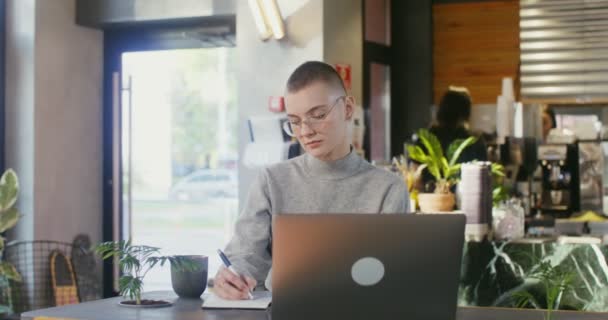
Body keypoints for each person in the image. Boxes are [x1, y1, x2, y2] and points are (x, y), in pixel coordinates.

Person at [213, 61, 409, 300]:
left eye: (317, 115)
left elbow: (391, 277)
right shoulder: (271, 182)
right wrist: (233, 278)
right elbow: (245, 257)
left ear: (347, 109)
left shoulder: (388, 189)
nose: (305, 131)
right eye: (294, 121)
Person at [417, 87, 487, 190]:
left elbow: (415, 171)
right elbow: (483, 174)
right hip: (466, 199)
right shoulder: (473, 141)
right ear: (466, 113)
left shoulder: (428, 137)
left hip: (429, 199)